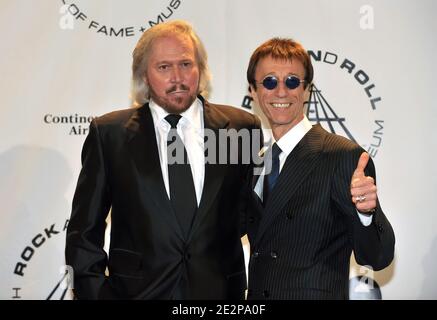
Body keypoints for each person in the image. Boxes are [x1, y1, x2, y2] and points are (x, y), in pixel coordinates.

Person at [65, 20, 262, 299]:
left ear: (201, 69)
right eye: (163, 67)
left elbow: (259, 220)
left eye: (185, 64)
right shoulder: (109, 135)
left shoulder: (240, 128)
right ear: (144, 75)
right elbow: (83, 233)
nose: (177, 77)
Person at [245, 38, 395, 300]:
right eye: (269, 81)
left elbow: (377, 257)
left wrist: (366, 214)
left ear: (307, 91)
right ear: (253, 92)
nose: (281, 91)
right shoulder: (256, 160)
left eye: (292, 81)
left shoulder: (342, 156)